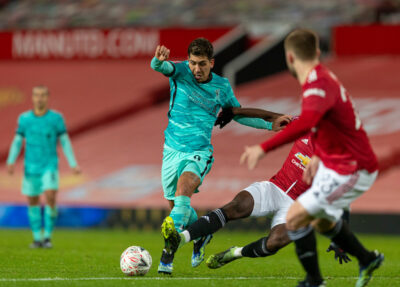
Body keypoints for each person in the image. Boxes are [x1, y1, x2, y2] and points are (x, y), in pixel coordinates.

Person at [240, 29, 383, 287]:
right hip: (341, 162)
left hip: (353, 167)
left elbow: (307, 121)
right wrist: (321, 155)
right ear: (317, 53)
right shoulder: (323, 78)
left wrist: (263, 148)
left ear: (290, 58)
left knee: (295, 217)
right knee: (318, 219)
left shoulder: (317, 84)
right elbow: (327, 123)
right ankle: (367, 259)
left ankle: (315, 281)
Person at [150, 38, 290, 275]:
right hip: (171, 150)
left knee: (184, 191)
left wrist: (269, 126)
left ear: (212, 63)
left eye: (202, 64)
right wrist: (158, 61)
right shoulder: (181, 71)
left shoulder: (221, 87)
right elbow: (162, 68)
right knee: (177, 206)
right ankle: (202, 235)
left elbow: (237, 113)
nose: (196, 69)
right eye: (193, 63)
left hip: (198, 152)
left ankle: (167, 255)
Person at [161, 108, 350, 271]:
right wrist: (236, 111)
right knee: (235, 206)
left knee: (274, 243)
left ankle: (236, 253)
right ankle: (180, 238)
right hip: (275, 188)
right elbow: (270, 117)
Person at [6, 85, 80, 249]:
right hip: (31, 167)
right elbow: (18, 141)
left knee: (50, 195)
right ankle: (36, 238)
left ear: (47, 98)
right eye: (37, 95)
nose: (40, 98)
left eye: (43, 95)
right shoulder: (24, 119)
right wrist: (11, 160)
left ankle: (47, 237)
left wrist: (73, 164)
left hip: (49, 166)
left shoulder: (56, 118)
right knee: (33, 200)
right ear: (32, 98)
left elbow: (65, 141)